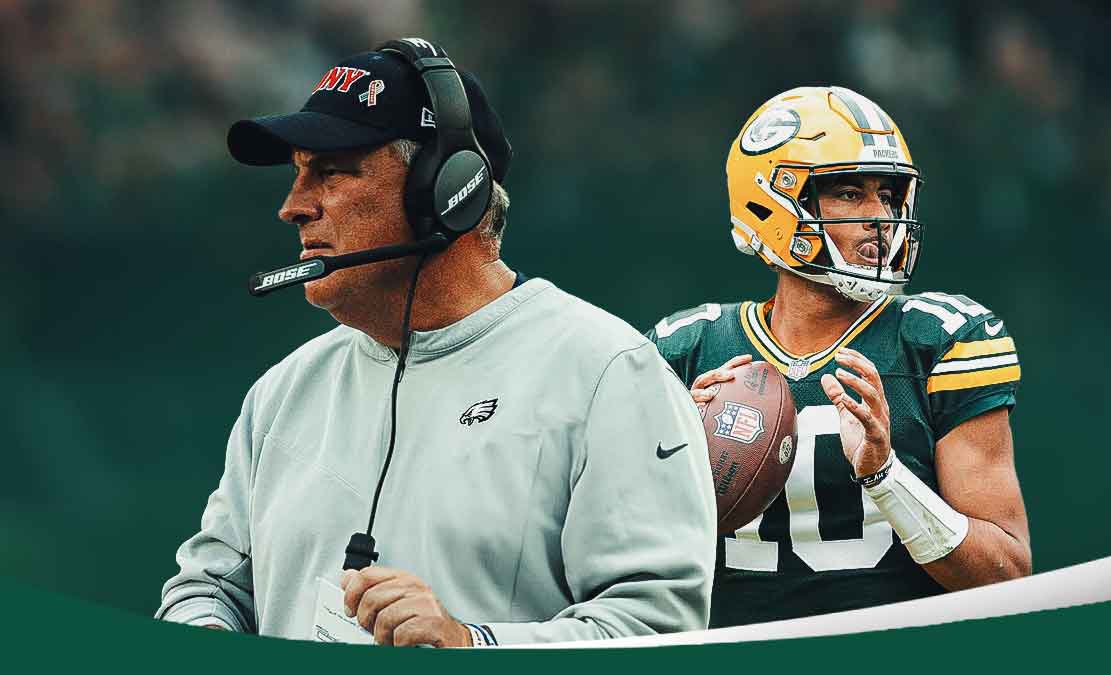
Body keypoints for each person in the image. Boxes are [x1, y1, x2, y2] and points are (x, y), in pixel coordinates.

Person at [156, 38, 716, 647]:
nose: (293, 207)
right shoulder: (283, 390)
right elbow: (208, 587)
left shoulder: (606, 372)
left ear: (447, 189)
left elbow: (657, 630)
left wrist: (469, 644)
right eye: (297, 174)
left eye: (331, 171)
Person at [646, 86, 1031, 626]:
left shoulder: (940, 338)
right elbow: (607, 560)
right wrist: (666, 465)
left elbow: (1007, 575)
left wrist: (887, 478)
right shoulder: (686, 349)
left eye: (890, 196)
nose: (880, 216)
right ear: (772, 204)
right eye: (850, 194)